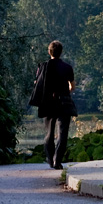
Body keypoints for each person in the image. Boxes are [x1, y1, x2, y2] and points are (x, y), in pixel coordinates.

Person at [36, 40, 76, 169]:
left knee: (49, 133)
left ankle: (49, 159)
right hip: (63, 102)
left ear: (49, 52)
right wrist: (66, 91)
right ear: (61, 52)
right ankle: (57, 160)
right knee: (63, 133)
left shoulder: (43, 67)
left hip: (48, 102)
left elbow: (38, 84)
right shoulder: (67, 67)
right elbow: (72, 86)